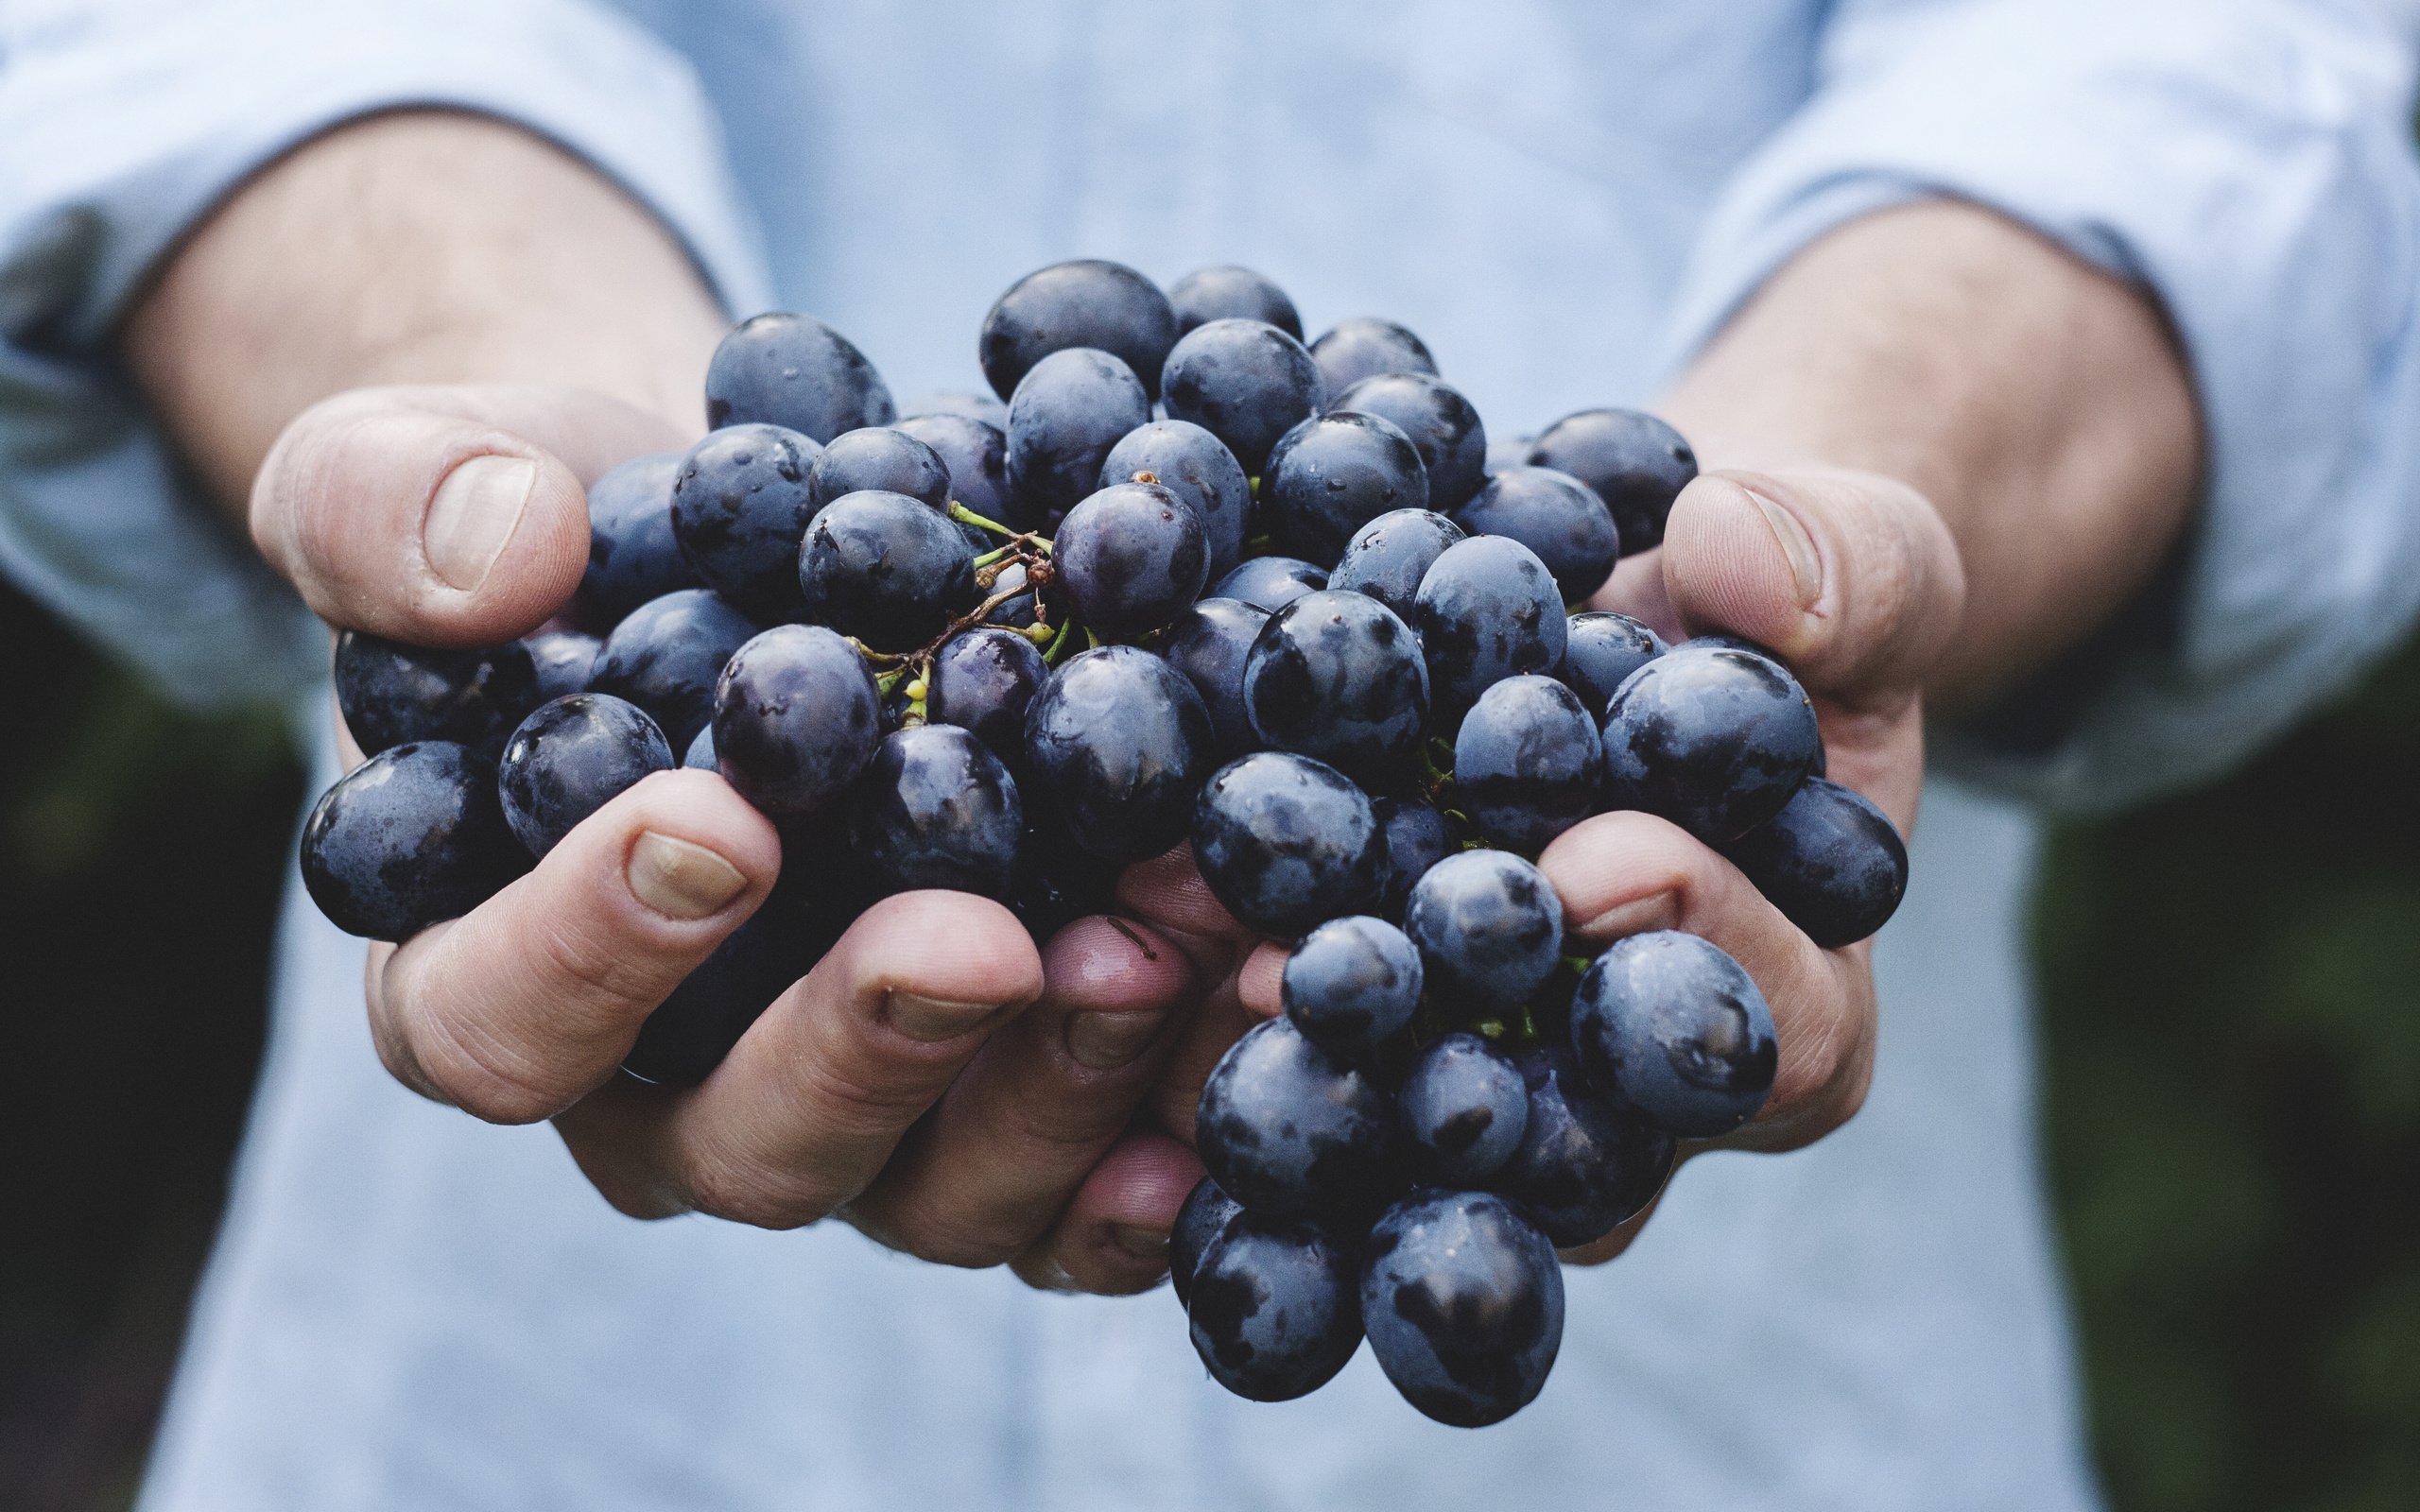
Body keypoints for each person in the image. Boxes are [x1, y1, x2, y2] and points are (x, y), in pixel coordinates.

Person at [5, 0, 2418, 1506]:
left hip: (1735, 1407)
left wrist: (1833, 487)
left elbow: (2217, 58)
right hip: (538, 1409)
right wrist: (489, 409)